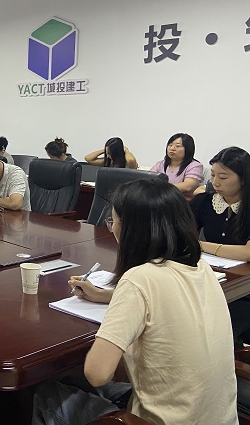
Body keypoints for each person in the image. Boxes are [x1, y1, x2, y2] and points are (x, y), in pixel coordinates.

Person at [33, 179, 237, 425]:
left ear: (132, 229)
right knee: (71, 381)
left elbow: (97, 373)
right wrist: (104, 295)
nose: (111, 229)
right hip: (219, 417)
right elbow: (163, 299)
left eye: (113, 222)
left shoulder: (139, 279)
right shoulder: (202, 267)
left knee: (45, 393)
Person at [190, 147, 250, 347]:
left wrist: (202, 245)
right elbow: (180, 235)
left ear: (243, 178)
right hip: (213, 280)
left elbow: (247, 253)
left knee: (217, 329)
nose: (215, 182)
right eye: (213, 175)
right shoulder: (204, 202)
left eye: (223, 177)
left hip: (245, 290)